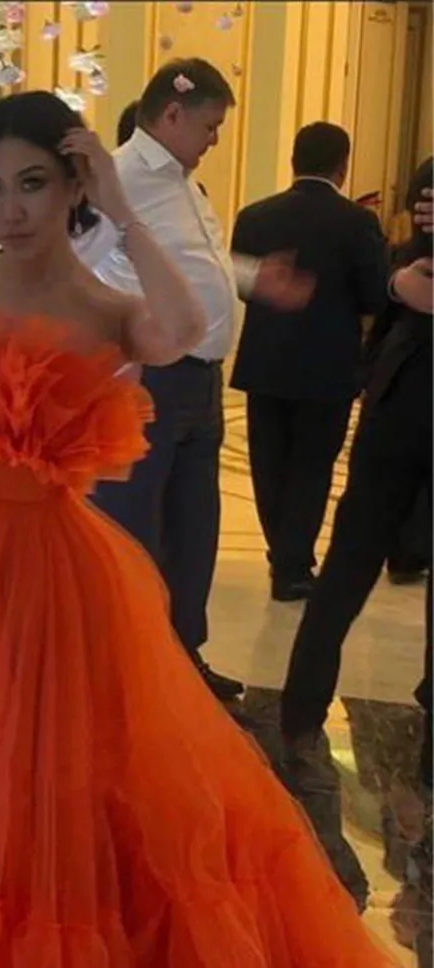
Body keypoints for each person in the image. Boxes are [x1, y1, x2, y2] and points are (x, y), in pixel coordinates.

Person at [0, 91, 407, 968]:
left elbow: (186, 328)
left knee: (63, 777)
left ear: (74, 185)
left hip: (60, 572)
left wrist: (123, 203)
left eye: (33, 183)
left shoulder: (108, 309)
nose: (10, 209)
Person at [76, 59, 314, 700]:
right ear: (173, 113)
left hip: (201, 382)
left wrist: (252, 277)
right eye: (209, 126)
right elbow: (76, 269)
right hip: (149, 380)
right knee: (135, 532)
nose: (214, 140)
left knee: (194, 532)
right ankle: (131, 673)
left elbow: (192, 260)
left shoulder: (183, 183)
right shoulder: (118, 179)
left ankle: (183, 662)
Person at [280, 159, 432, 757]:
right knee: (347, 567)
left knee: (346, 568)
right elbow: (400, 277)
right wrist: (398, 284)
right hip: (397, 412)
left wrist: (397, 285)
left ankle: (298, 718)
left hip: (394, 403)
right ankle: (299, 715)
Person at [230, 122, 388, 601]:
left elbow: (241, 284)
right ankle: (293, 566)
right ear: (342, 166)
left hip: (264, 363)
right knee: (312, 467)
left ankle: (283, 554)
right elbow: (375, 294)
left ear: (293, 160)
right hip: (328, 365)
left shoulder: (254, 217)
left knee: (269, 465)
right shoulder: (356, 222)